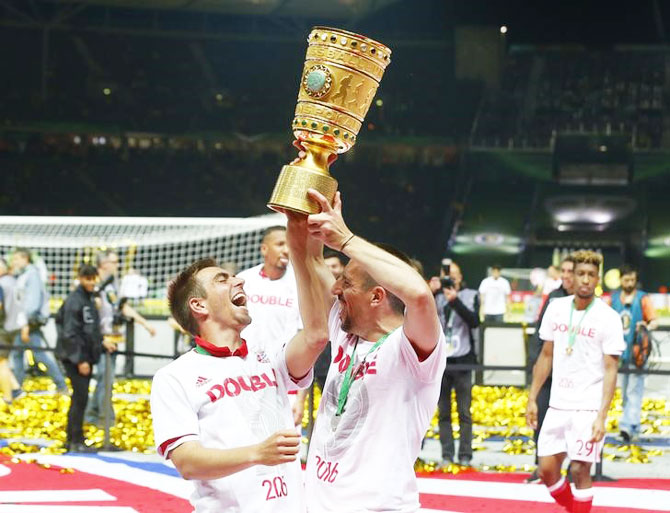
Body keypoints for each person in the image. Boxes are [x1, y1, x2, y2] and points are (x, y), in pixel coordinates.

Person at [150, 209, 331, 513]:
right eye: (223, 280)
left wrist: (303, 249)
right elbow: (187, 462)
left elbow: (316, 335)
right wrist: (258, 453)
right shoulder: (174, 377)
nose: (239, 282)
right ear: (198, 305)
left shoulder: (269, 354)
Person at [303, 190, 446, 513]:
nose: (336, 289)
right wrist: (313, 185)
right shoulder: (345, 330)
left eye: (347, 283)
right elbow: (309, 258)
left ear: (377, 296)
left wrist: (346, 239)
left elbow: (420, 296)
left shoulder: (410, 349)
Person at [526, 250, 624, 513]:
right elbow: (545, 356)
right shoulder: (556, 308)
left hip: (588, 407)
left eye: (591, 275)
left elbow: (611, 369)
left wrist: (602, 415)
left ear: (597, 278)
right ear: (571, 275)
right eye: (580, 273)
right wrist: (532, 398)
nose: (585, 280)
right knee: (547, 471)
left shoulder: (609, 317)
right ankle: (573, 508)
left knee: (580, 469)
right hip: (558, 404)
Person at [237, 226, 305, 425]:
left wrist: (300, 398)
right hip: (244, 377)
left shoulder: (300, 283)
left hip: (284, 380)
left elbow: (306, 340)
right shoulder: (244, 280)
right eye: (280, 244)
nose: (286, 250)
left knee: (283, 449)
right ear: (264, 249)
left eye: (289, 245)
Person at [86, 250, 156, 427]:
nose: (117, 266)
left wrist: (144, 322)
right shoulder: (93, 284)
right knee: (105, 377)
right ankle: (104, 417)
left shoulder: (112, 284)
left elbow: (121, 307)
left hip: (113, 337)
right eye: (114, 262)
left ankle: (93, 413)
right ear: (104, 264)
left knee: (106, 377)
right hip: (99, 339)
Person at [526, 254, 575, 483]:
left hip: (575, 377)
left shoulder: (586, 303)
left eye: (569, 271)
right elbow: (539, 335)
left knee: (573, 425)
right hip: (549, 373)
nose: (565, 275)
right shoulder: (554, 299)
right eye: (562, 271)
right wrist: (535, 363)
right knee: (543, 421)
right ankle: (541, 468)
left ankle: (574, 470)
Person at [435, 261, 480, 466]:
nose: (451, 279)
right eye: (447, 276)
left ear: (461, 277)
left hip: (463, 359)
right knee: (443, 411)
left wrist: (455, 302)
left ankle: (465, 455)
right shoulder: (435, 297)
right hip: (440, 360)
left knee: (464, 411)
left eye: (455, 275)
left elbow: (474, 321)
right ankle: (446, 455)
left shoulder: (471, 295)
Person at [55, 264, 102, 453]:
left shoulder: (87, 298)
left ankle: (74, 438)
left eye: (93, 278)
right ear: (80, 278)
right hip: (76, 357)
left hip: (81, 354)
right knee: (80, 398)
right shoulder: (76, 300)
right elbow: (70, 332)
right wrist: (81, 359)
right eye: (87, 278)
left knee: (80, 398)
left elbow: (87, 328)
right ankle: (75, 440)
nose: (91, 282)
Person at [609, 264, 657, 442]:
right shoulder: (613, 299)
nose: (629, 283)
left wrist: (645, 326)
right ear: (621, 280)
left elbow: (654, 321)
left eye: (632, 280)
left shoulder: (643, 298)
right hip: (618, 353)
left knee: (634, 390)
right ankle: (629, 424)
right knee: (624, 391)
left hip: (637, 352)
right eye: (626, 279)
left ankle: (629, 426)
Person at [10, 248, 68, 394]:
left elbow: (32, 303)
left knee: (38, 355)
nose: (14, 262)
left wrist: (25, 323)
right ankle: (17, 389)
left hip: (28, 323)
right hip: (24, 322)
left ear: (25, 259)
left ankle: (61, 385)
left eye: (17, 259)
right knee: (19, 354)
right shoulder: (25, 275)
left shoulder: (32, 275)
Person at [0, 258, 21, 404]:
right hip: (15, 326)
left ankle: (8, 396)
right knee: (4, 361)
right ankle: (15, 388)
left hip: (4, 327)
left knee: (1, 362)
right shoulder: (14, 281)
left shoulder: (1, 284)